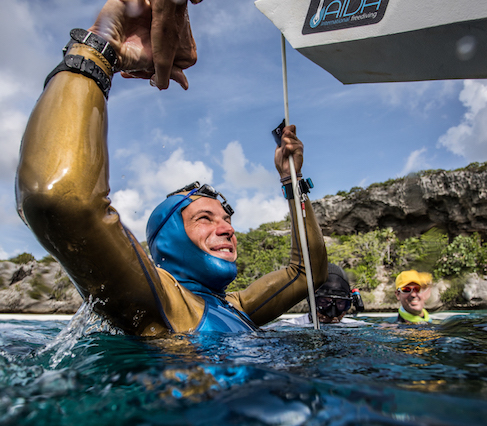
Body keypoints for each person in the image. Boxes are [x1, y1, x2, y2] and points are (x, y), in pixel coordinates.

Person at [15, 0, 328, 336]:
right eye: (204, 219)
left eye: (226, 219)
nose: (227, 230)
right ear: (169, 239)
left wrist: (291, 180)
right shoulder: (160, 301)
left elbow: (306, 273)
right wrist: (99, 45)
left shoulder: (236, 307)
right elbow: (59, 199)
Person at [275, 263, 365, 326]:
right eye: (324, 302)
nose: (331, 314)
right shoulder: (288, 326)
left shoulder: (358, 327)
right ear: (311, 300)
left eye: (340, 304)